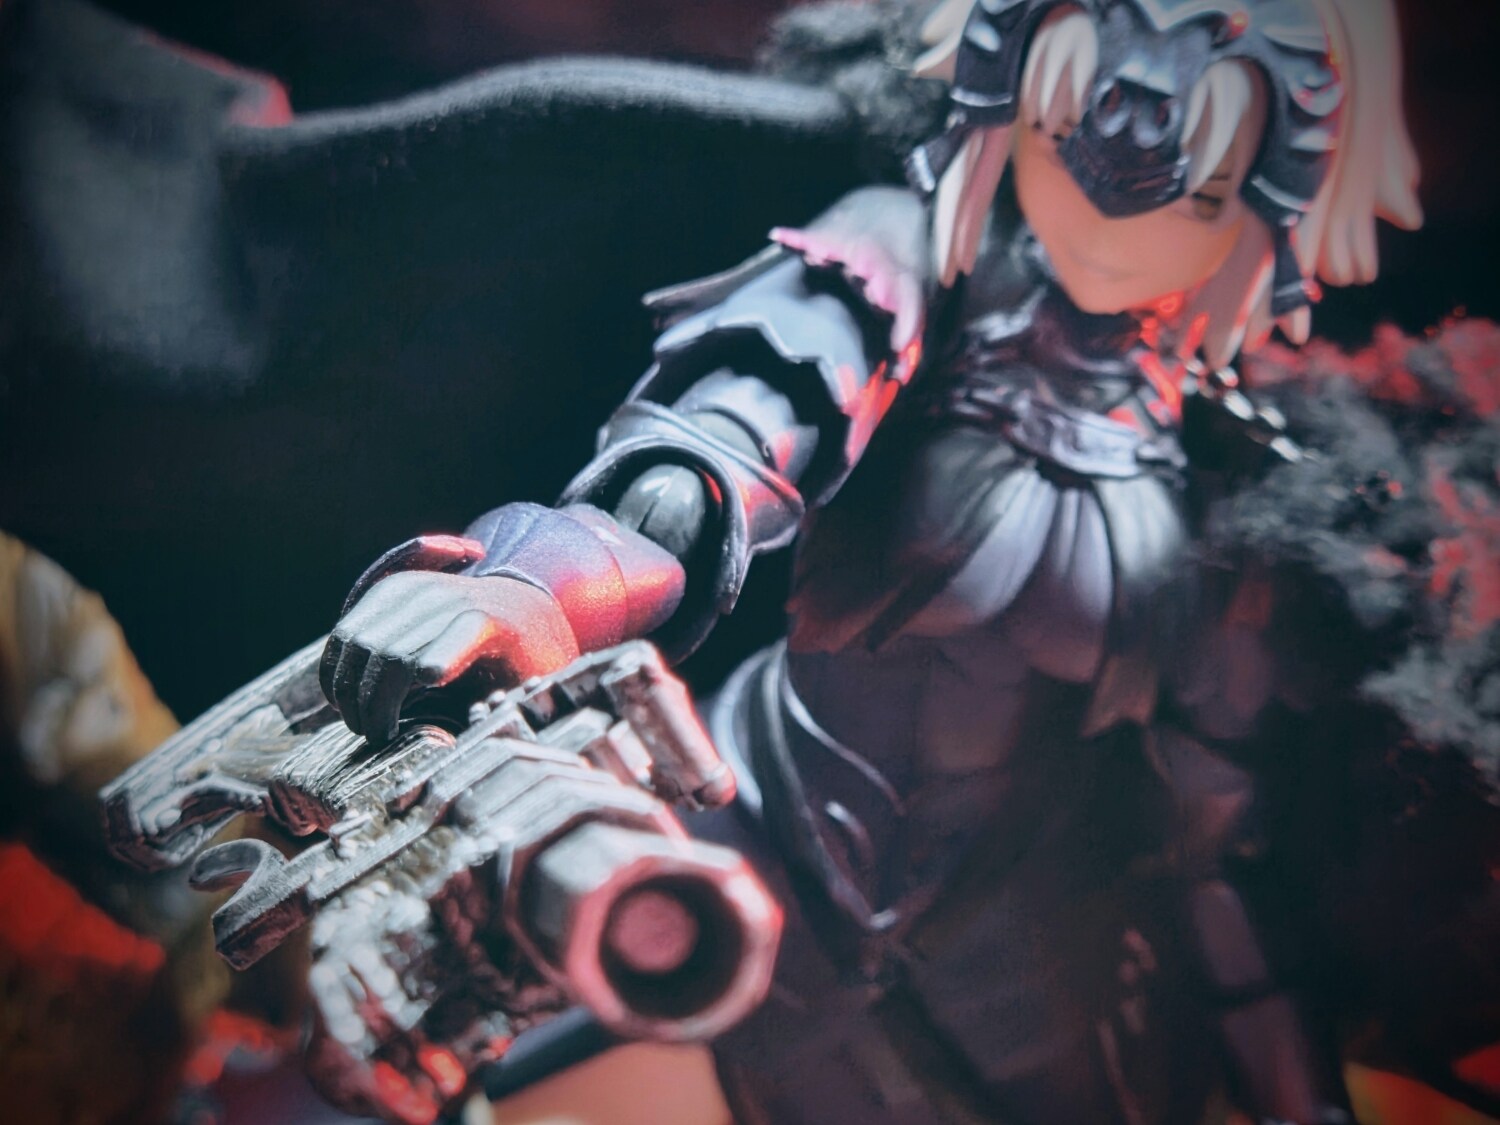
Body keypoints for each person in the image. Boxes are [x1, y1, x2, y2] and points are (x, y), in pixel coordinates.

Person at [306, 1, 1475, 1122]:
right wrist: (531, 588)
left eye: (1201, 180)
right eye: (1064, 125)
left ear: (1279, 192)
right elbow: (708, 462)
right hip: (735, 829)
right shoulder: (903, 265)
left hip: (1019, 976)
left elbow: (1216, 856)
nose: (1115, 190)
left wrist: (1300, 1098)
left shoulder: (1235, 488)